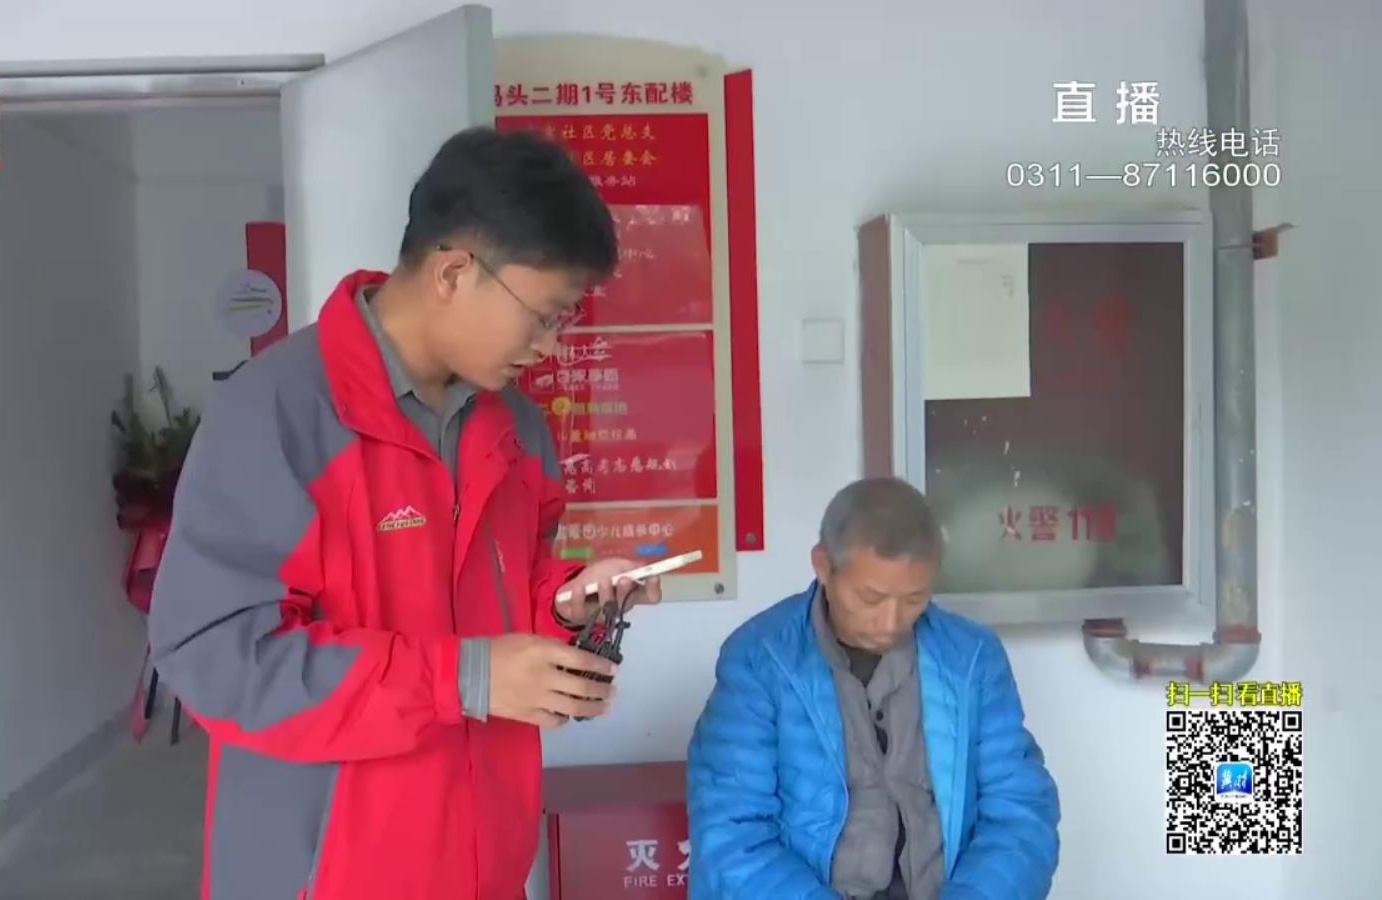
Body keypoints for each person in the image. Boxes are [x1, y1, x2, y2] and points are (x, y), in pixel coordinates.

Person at [147, 126, 662, 900]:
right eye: (544, 315)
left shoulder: (517, 429)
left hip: (486, 866)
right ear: (455, 271)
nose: (551, 346)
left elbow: (500, 599)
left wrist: (565, 603)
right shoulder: (278, 414)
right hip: (327, 877)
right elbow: (219, 655)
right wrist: (464, 679)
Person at [686, 477, 1059, 899]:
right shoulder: (761, 659)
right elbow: (733, 834)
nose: (891, 622)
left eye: (914, 599)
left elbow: (1020, 814)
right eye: (870, 598)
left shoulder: (972, 659)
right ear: (823, 566)